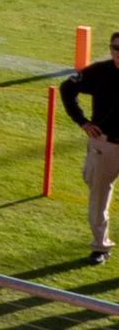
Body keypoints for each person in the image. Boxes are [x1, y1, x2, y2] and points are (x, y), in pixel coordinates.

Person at [62, 32, 119, 262]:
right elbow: (67, 88)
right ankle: (100, 246)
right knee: (98, 197)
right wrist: (82, 121)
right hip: (104, 144)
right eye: (116, 47)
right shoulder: (99, 72)